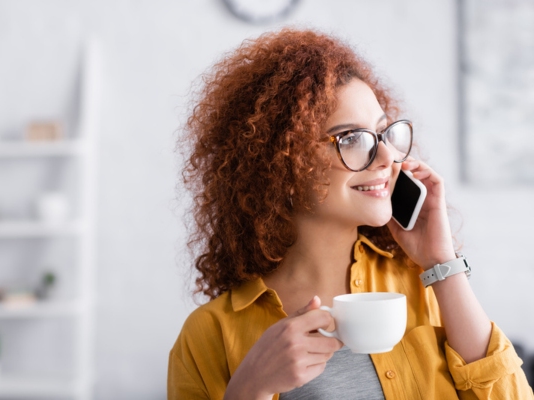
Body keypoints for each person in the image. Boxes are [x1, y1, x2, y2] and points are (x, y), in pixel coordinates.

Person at [168, 28, 533, 399]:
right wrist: (249, 389)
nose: (388, 157)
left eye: (382, 133)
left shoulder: (425, 286)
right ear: (281, 162)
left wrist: (443, 263)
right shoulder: (209, 334)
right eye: (352, 139)